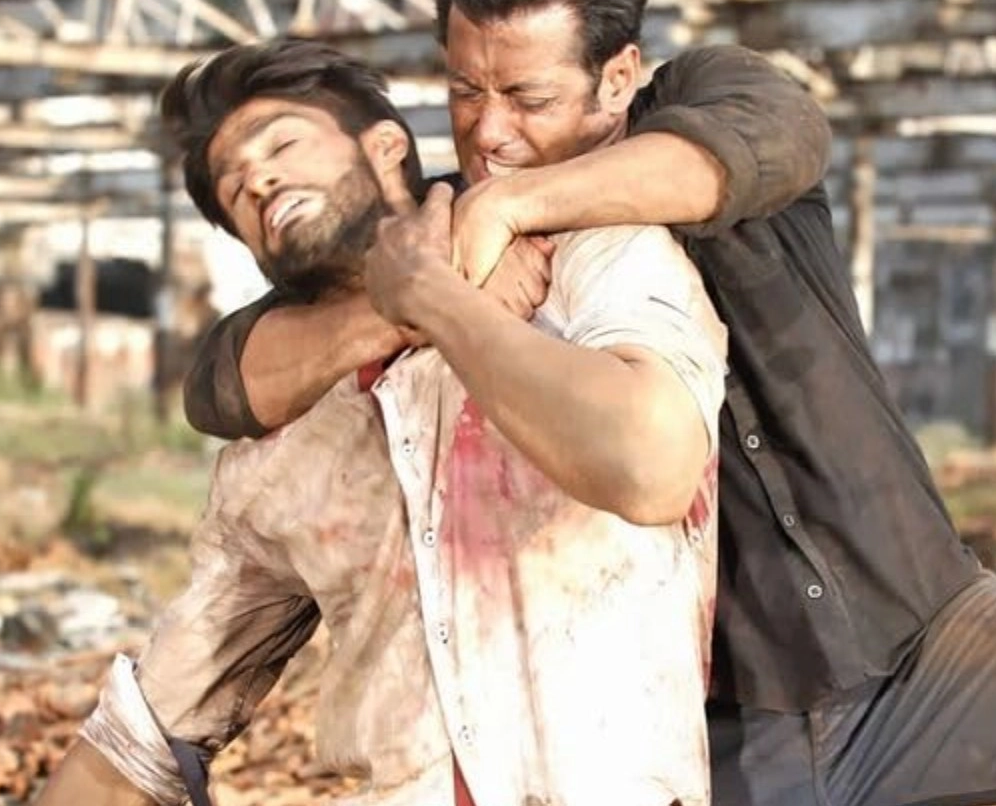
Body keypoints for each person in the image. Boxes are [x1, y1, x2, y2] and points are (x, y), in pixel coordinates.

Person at [186, 0, 996, 805]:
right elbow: (224, 374)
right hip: (712, 739)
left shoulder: (709, 102)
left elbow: (755, 146)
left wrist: (511, 211)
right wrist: (408, 307)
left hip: (923, 641)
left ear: (619, 77)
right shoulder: (438, 243)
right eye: (463, 90)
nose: (488, 131)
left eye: (528, 95)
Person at [36, 40, 726, 806]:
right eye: (234, 187)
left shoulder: (583, 269)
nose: (258, 179)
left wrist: (437, 296)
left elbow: (651, 468)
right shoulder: (287, 449)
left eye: (282, 146)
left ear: (387, 145)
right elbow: (142, 738)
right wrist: (399, 314)